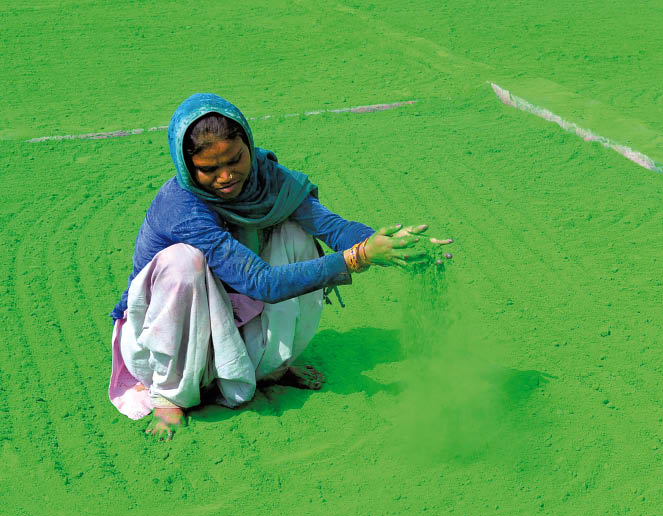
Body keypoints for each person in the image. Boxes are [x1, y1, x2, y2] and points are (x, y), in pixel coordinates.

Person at [108, 93, 452, 439]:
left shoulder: (268, 178)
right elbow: (262, 282)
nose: (226, 176)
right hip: (164, 341)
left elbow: (331, 227)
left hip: (232, 317)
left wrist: (388, 242)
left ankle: (270, 365)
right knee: (183, 262)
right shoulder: (181, 206)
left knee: (294, 230)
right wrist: (358, 257)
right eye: (209, 169)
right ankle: (170, 394)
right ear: (187, 167)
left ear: (248, 144)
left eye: (235, 159)